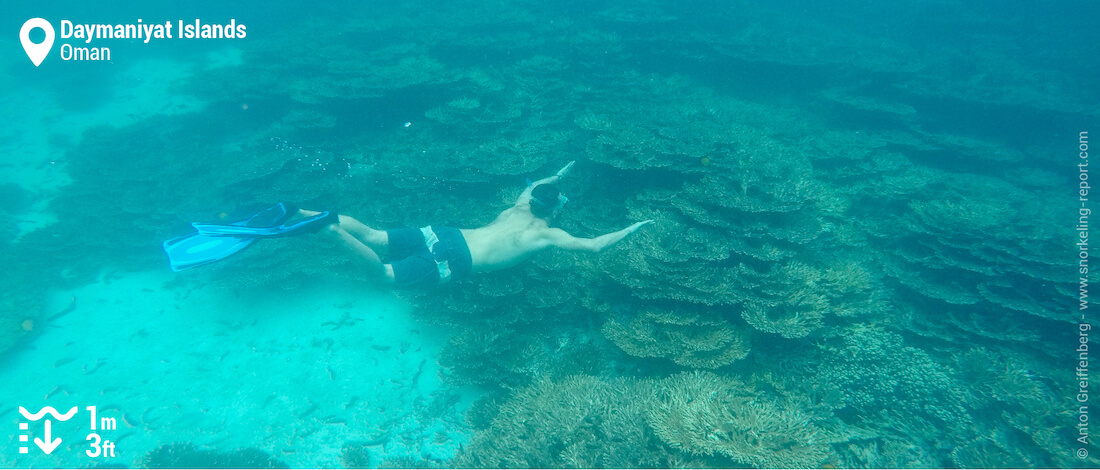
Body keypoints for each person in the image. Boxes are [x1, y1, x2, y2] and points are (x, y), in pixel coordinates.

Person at [303, 161, 653, 288]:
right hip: (455, 260)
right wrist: (634, 227)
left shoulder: (520, 205)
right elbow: (594, 246)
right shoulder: (547, 233)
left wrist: (560, 174)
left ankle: (304, 215)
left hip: (446, 232)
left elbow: (536, 186)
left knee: (374, 235)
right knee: (384, 276)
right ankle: (332, 232)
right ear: (556, 210)